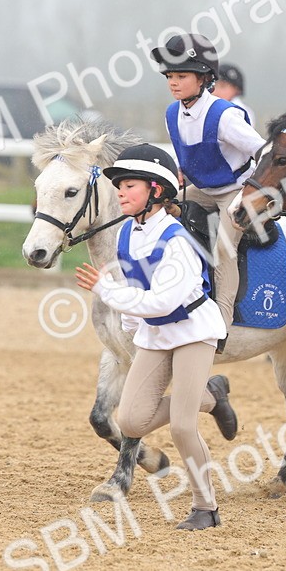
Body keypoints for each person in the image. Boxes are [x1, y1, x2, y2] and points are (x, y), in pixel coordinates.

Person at [74, 143, 239, 531]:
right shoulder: (128, 234)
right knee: (131, 421)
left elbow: (164, 300)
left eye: (130, 185)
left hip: (193, 331)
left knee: (182, 426)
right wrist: (132, 330)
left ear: (157, 191)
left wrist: (106, 291)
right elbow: (139, 294)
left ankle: (205, 508)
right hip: (156, 331)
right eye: (119, 186)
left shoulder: (177, 240)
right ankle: (210, 396)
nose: (120, 192)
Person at [150, 34, 266, 352]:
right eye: (170, 76)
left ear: (203, 78)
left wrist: (254, 194)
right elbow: (186, 163)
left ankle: (221, 326)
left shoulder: (225, 115)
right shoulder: (171, 113)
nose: (173, 83)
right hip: (201, 189)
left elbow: (264, 152)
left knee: (223, 248)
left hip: (236, 190)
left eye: (181, 76)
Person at [213, 62, 256, 129]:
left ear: (237, 89)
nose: (215, 91)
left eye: (222, 86)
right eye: (213, 85)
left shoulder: (241, 112)